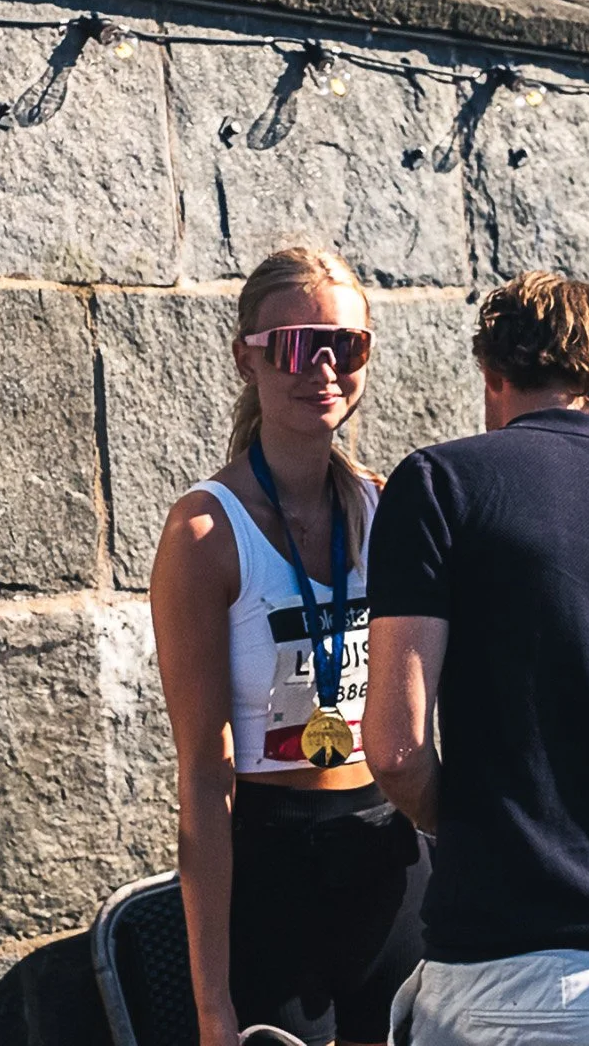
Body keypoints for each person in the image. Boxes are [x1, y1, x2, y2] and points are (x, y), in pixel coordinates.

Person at [361, 271, 589, 1044]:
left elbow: (395, 751)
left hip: (516, 964)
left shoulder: (440, 482)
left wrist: (468, 831)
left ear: (492, 374)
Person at [149, 247, 428, 1046]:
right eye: (303, 345)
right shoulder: (205, 531)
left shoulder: (387, 508)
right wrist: (212, 1006)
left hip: (385, 845)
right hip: (271, 861)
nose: (327, 369)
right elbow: (204, 776)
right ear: (248, 358)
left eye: (349, 346)